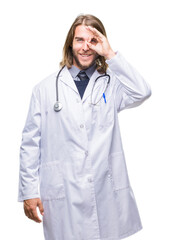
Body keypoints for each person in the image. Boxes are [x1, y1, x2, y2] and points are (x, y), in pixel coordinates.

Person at [18, 14, 151, 240]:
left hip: (104, 189)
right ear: (71, 43)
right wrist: (29, 192)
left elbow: (142, 91)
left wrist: (110, 54)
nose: (86, 47)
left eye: (93, 41)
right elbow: (30, 144)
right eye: (80, 40)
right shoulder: (45, 89)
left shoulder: (111, 83)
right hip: (64, 192)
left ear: (101, 44)